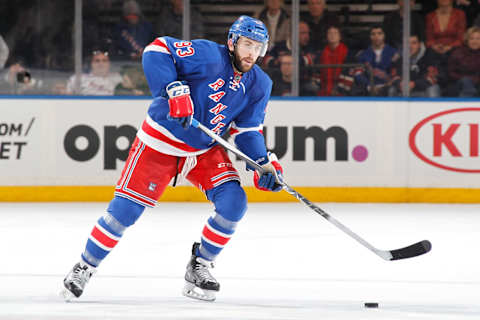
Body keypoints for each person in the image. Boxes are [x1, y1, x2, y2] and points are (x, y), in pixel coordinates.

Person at [62, 15, 284, 302]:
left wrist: (262, 163)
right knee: (125, 212)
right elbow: (156, 50)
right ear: (232, 42)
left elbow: (248, 132)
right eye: (247, 44)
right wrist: (172, 89)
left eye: (258, 47)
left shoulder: (259, 84)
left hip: (202, 151)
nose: (252, 53)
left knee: (234, 202)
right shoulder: (207, 55)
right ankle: (84, 267)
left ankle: (200, 264)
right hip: (160, 143)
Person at [352, 25, 400, 96]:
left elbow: (398, 73)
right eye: (373, 34)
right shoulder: (363, 54)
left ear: (384, 35)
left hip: (388, 88)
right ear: (370, 37)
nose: (376, 37)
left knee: (392, 90)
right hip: (368, 89)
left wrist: (388, 84)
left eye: (379, 33)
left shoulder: (394, 53)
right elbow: (358, 74)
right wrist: (369, 85)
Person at [316, 25, 351, 96]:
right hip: (324, 90)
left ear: (340, 37)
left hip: (342, 91)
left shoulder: (348, 53)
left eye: (335, 33)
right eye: (329, 33)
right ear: (326, 36)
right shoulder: (321, 54)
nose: (332, 35)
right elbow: (317, 73)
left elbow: (350, 74)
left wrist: (338, 90)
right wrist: (320, 87)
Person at [447, 26, 480, 96]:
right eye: (472, 38)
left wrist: (475, 80)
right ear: (467, 40)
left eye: (478, 39)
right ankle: (466, 105)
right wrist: (466, 78)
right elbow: (450, 72)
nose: (475, 41)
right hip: (458, 84)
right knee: (466, 81)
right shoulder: (457, 52)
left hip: (477, 84)